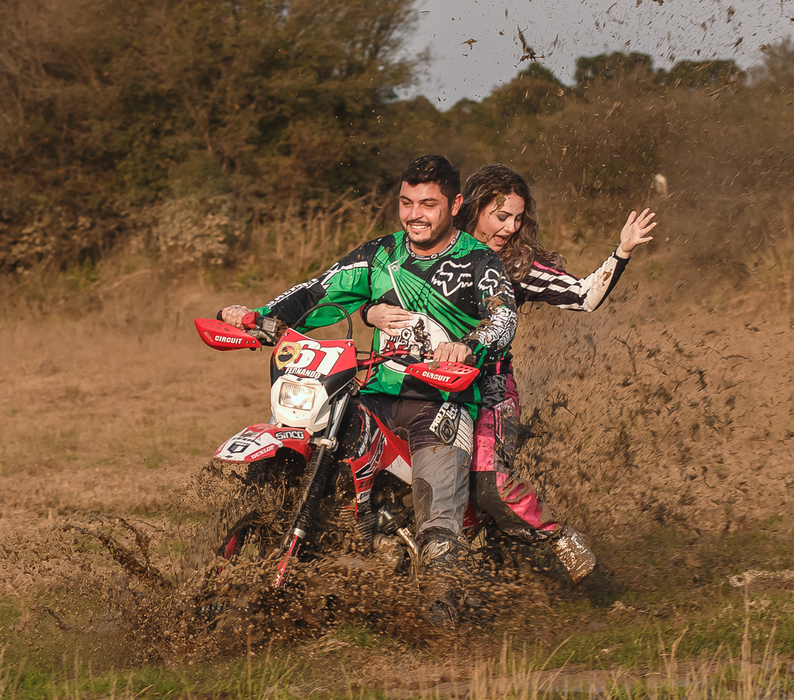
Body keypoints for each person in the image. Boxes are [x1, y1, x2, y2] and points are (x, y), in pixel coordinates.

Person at [220, 155, 517, 616]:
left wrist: (470, 345)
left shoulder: (479, 260)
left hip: (441, 402)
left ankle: (445, 609)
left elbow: (503, 316)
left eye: (429, 204)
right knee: (319, 440)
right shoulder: (380, 254)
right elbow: (317, 291)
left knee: (437, 525)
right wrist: (259, 317)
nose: (415, 215)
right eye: (406, 202)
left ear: (456, 205)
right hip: (376, 394)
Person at [364, 164, 656, 583]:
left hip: (489, 389)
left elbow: (584, 295)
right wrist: (369, 311)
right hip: (415, 385)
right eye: (501, 216)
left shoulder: (518, 264)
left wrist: (622, 250)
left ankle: (559, 537)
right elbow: (373, 287)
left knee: (491, 486)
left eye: (517, 219)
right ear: (473, 207)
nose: (510, 227)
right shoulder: (424, 246)